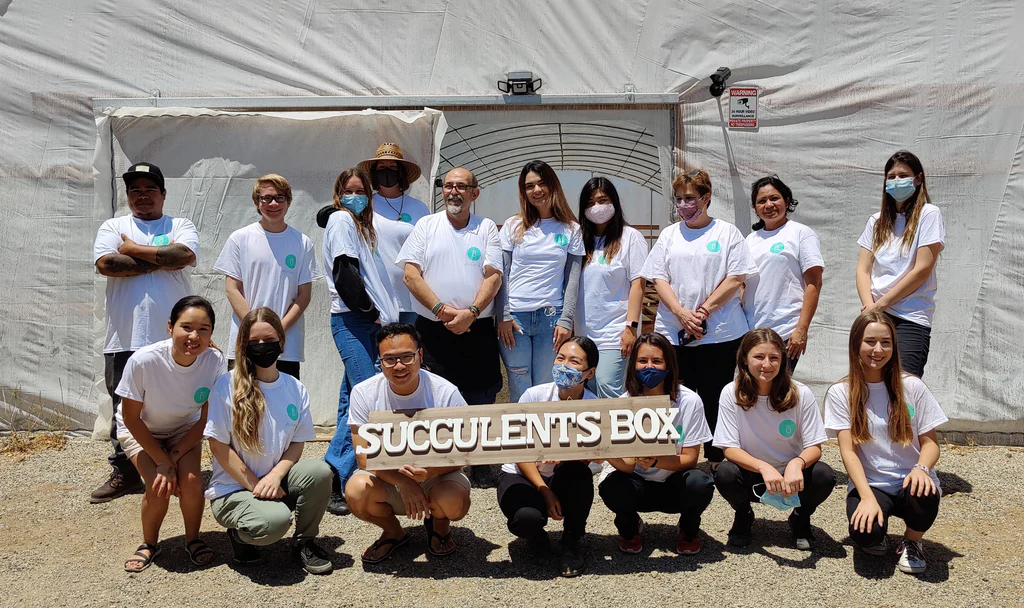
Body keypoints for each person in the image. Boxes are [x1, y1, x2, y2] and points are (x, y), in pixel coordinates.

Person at [91, 162, 200, 503]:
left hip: (174, 338)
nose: (142, 196)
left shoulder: (180, 224)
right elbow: (108, 265)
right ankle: (126, 471)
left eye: (149, 189)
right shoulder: (113, 225)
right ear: (127, 196)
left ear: (163, 194)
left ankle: (178, 463)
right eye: (135, 190)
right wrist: (163, 259)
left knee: (178, 399)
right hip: (124, 336)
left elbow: (184, 254)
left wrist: (135, 250)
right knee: (124, 404)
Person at [205, 307, 335, 574]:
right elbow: (218, 446)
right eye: (254, 342)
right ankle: (239, 536)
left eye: (269, 340)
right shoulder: (226, 386)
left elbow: (297, 443)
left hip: (274, 482)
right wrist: (256, 485)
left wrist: (275, 477)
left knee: (320, 472)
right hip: (233, 489)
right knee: (274, 523)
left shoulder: (295, 388)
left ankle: (305, 542)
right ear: (243, 346)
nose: (263, 347)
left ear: (282, 342)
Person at [642, 168, 758, 466]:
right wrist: (681, 313)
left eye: (690, 198)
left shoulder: (727, 232)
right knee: (674, 395)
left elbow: (736, 277)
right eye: (679, 199)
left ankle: (717, 458)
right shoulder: (669, 234)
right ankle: (672, 455)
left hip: (719, 332)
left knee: (714, 395)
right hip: (673, 331)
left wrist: (703, 311)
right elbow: (658, 277)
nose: (683, 205)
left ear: (706, 198)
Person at [398, 167, 504, 487]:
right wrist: (442, 310)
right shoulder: (426, 226)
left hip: (478, 327)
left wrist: (471, 312)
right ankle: (443, 463)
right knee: (436, 395)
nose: (453, 192)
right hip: (433, 329)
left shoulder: (486, 228)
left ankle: (482, 463)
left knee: (482, 395)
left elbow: (494, 276)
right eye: (448, 186)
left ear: (475, 193)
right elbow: (410, 275)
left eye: (461, 186)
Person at [824, 311, 947, 574]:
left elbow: (931, 444)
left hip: (909, 479)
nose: (878, 349)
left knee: (924, 494)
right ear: (856, 343)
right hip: (873, 483)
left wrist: (921, 469)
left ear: (893, 345)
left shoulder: (912, 386)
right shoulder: (840, 392)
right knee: (865, 534)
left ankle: (913, 541)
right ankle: (876, 530)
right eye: (870, 341)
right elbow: (849, 452)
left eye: (886, 342)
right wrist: (867, 497)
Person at [345, 323, 472, 564]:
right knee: (355, 490)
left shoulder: (446, 392)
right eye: (390, 359)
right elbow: (363, 457)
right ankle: (393, 532)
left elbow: (464, 449)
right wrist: (403, 481)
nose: (399, 366)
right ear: (380, 362)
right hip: (389, 479)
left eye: (407, 356)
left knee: (454, 502)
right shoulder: (363, 393)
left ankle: (440, 527)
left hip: (437, 476)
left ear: (420, 355)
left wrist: (428, 474)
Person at [116, 296, 226, 572]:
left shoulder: (214, 361)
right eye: (186, 327)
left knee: (191, 482)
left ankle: (193, 539)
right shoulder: (144, 360)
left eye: (204, 329)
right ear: (170, 327)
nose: (194, 336)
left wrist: (174, 455)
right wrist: (162, 462)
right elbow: (130, 417)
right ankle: (149, 543)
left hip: (183, 429)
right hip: (141, 428)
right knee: (159, 484)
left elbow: (205, 419)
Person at [317, 168, 400, 517]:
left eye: (360, 190)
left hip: (365, 322)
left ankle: (337, 471)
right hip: (355, 321)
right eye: (348, 190)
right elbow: (344, 270)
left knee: (351, 397)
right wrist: (369, 311)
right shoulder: (340, 220)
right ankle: (335, 475)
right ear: (338, 194)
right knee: (368, 395)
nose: (355, 196)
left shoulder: (361, 226)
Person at [712, 328, 835, 550]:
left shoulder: (801, 393)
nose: (766, 364)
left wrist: (797, 464)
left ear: (783, 361)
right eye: (759, 357)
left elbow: (814, 447)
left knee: (824, 475)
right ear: (744, 359)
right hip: (754, 472)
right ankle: (743, 515)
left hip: (791, 475)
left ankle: (800, 517)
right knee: (724, 473)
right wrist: (763, 468)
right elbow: (729, 448)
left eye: (774, 358)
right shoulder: (731, 392)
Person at [598, 332, 715, 555]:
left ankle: (688, 529)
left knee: (700, 483)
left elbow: (691, 459)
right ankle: (629, 528)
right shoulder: (623, 404)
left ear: (669, 366)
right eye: (642, 361)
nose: (648, 367)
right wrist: (604, 451)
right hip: (636, 483)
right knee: (613, 486)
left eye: (657, 361)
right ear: (633, 366)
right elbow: (627, 464)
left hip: (673, 483)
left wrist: (655, 461)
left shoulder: (689, 401)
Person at [497, 336, 599, 578]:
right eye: (560, 358)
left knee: (579, 476)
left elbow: (592, 460)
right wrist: (544, 489)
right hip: (524, 474)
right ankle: (534, 534)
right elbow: (518, 450)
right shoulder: (533, 396)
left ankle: (572, 541)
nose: (564, 365)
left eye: (574, 361)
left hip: (564, 474)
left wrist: (567, 458)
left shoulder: (596, 407)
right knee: (525, 518)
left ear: (589, 372)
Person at [213, 174, 319, 379]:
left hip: (286, 346)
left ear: (288, 202)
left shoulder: (302, 242)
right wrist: (255, 328)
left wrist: (277, 331)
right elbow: (232, 289)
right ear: (256, 202)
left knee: (282, 403)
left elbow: (304, 295)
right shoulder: (240, 238)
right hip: (246, 341)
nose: (273, 203)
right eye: (266, 198)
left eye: (280, 197)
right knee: (242, 402)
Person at [496, 160, 585, 403]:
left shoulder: (571, 229)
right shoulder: (513, 226)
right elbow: (502, 274)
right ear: (523, 192)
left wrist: (566, 319)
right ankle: (520, 439)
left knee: (547, 387)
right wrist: (503, 315)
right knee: (519, 385)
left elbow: (572, 279)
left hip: (551, 319)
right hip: (515, 320)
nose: (536, 190)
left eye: (542, 183)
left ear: (553, 185)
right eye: (529, 186)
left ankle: (544, 440)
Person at [856, 150, 945, 377]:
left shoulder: (929, 214)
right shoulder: (875, 221)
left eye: (903, 175)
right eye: (891, 176)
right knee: (872, 382)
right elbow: (863, 269)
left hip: (910, 315)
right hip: (876, 314)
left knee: (905, 384)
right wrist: (870, 307)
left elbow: (922, 269)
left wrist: (882, 303)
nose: (896, 181)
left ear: (918, 179)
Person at [575, 177, 648, 398]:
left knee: (608, 386)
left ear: (613, 202)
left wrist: (630, 328)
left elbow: (638, 284)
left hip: (614, 333)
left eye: (602, 200)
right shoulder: (579, 239)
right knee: (589, 390)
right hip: (584, 333)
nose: (596, 207)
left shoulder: (630, 238)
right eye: (589, 203)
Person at [742, 175, 824, 371]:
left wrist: (801, 330)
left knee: (777, 392)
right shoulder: (750, 240)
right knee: (753, 393)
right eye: (762, 201)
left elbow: (814, 284)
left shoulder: (801, 233)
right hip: (751, 332)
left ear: (787, 201)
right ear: (755, 208)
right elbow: (743, 284)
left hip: (785, 331)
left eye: (774, 198)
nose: (769, 205)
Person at [357, 143, 430, 325]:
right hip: (377, 299)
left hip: (413, 301)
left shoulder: (419, 208)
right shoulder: (364, 206)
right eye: (381, 167)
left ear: (401, 172)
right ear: (374, 173)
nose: (387, 171)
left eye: (392, 167)